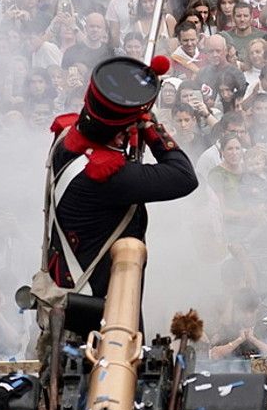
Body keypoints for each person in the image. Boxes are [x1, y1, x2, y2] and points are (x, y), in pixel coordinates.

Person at [44, 56, 198, 298]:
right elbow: (184, 176)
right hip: (100, 298)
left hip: (67, 282)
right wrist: (151, 126)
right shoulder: (109, 176)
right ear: (119, 136)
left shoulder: (66, 139)